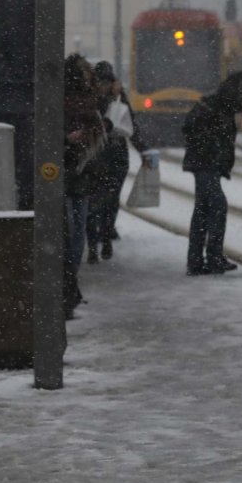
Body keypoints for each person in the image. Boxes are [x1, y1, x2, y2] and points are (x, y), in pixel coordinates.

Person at [182, 70, 242, 277]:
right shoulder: (213, 105)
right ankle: (213, 258)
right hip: (205, 164)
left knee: (202, 211)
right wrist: (211, 146)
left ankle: (196, 261)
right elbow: (189, 127)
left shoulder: (222, 106)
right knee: (217, 206)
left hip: (208, 165)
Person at [63, 54, 105, 319]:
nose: (87, 77)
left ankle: (70, 286)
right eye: (83, 73)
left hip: (81, 173)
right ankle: (68, 288)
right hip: (70, 171)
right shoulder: (66, 100)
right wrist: (67, 138)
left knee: (77, 231)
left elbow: (98, 131)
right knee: (71, 231)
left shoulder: (88, 99)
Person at [86, 61, 141, 263]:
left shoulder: (119, 98)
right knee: (93, 203)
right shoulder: (89, 98)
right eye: (101, 82)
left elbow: (131, 126)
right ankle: (93, 246)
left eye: (107, 82)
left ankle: (106, 237)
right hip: (95, 156)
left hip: (115, 156)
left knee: (111, 201)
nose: (104, 86)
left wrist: (144, 151)